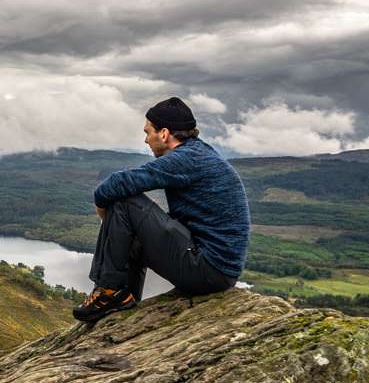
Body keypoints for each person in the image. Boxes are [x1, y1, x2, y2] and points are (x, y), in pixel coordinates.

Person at [73, 96, 250, 322]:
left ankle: (109, 291)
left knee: (125, 202)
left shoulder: (186, 159)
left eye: (148, 132)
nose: (146, 140)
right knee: (132, 228)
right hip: (214, 268)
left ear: (164, 134)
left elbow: (117, 184)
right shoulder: (198, 153)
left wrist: (102, 212)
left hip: (207, 269)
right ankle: (123, 296)